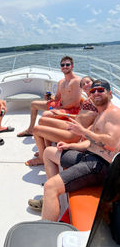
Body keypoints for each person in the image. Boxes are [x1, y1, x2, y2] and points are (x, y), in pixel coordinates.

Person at [40, 79, 120, 221]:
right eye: (93, 91)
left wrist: (83, 131)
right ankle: (53, 199)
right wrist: (71, 146)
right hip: (88, 156)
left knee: (50, 186)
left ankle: (46, 229)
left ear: (110, 93)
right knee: (48, 152)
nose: (96, 93)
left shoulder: (113, 113)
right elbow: (93, 142)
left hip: (99, 166)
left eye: (100, 90)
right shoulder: (100, 113)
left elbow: (112, 143)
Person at [26, 76, 98, 166]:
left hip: (75, 134)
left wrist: (86, 134)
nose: (85, 85)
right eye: (83, 84)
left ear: (94, 82)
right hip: (74, 125)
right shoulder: (88, 99)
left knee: (36, 130)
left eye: (88, 82)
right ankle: (44, 151)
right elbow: (82, 116)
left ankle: (42, 158)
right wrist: (63, 114)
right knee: (43, 120)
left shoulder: (96, 99)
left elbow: (98, 118)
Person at [17, 56, 82, 137]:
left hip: (70, 110)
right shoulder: (61, 82)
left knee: (46, 114)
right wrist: (50, 97)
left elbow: (75, 102)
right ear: (60, 67)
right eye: (62, 65)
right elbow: (57, 98)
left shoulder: (76, 81)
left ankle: (46, 137)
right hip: (60, 105)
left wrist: (57, 109)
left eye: (67, 64)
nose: (65, 66)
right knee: (34, 104)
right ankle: (30, 130)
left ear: (72, 66)